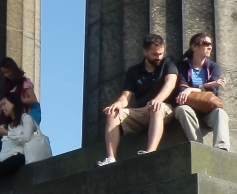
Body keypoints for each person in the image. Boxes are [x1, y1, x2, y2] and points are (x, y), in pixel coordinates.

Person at [97, 33, 178, 165]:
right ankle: (111, 158)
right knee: (112, 113)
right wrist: (118, 103)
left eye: (161, 53)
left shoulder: (168, 63)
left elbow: (171, 82)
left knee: (156, 108)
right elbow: (126, 96)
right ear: (144, 52)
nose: (159, 57)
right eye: (155, 54)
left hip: (164, 108)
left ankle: (150, 152)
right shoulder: (133, 71)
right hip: (142, 111)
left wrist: (158, 100)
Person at [173, 31, 230, 152]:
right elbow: (181, 90)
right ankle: (199, 148)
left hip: (206, 109)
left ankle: (222, 149)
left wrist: (191, 89)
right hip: (187, 106)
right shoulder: (182, 66)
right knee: (183, 110)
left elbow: (211, 90)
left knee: (220, 113)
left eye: (210, 44)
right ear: (194, 47)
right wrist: (204, 86)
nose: (210, 47)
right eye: (206, 43)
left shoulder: (213, 67)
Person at [0, 57, 42, 125]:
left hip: (24, 116)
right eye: (4, 73)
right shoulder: (8, 85)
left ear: (13, 69)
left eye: (8, 71)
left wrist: (17, 101)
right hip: (14, 118)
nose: (7, 75)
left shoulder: (24, 82)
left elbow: (33, 99)